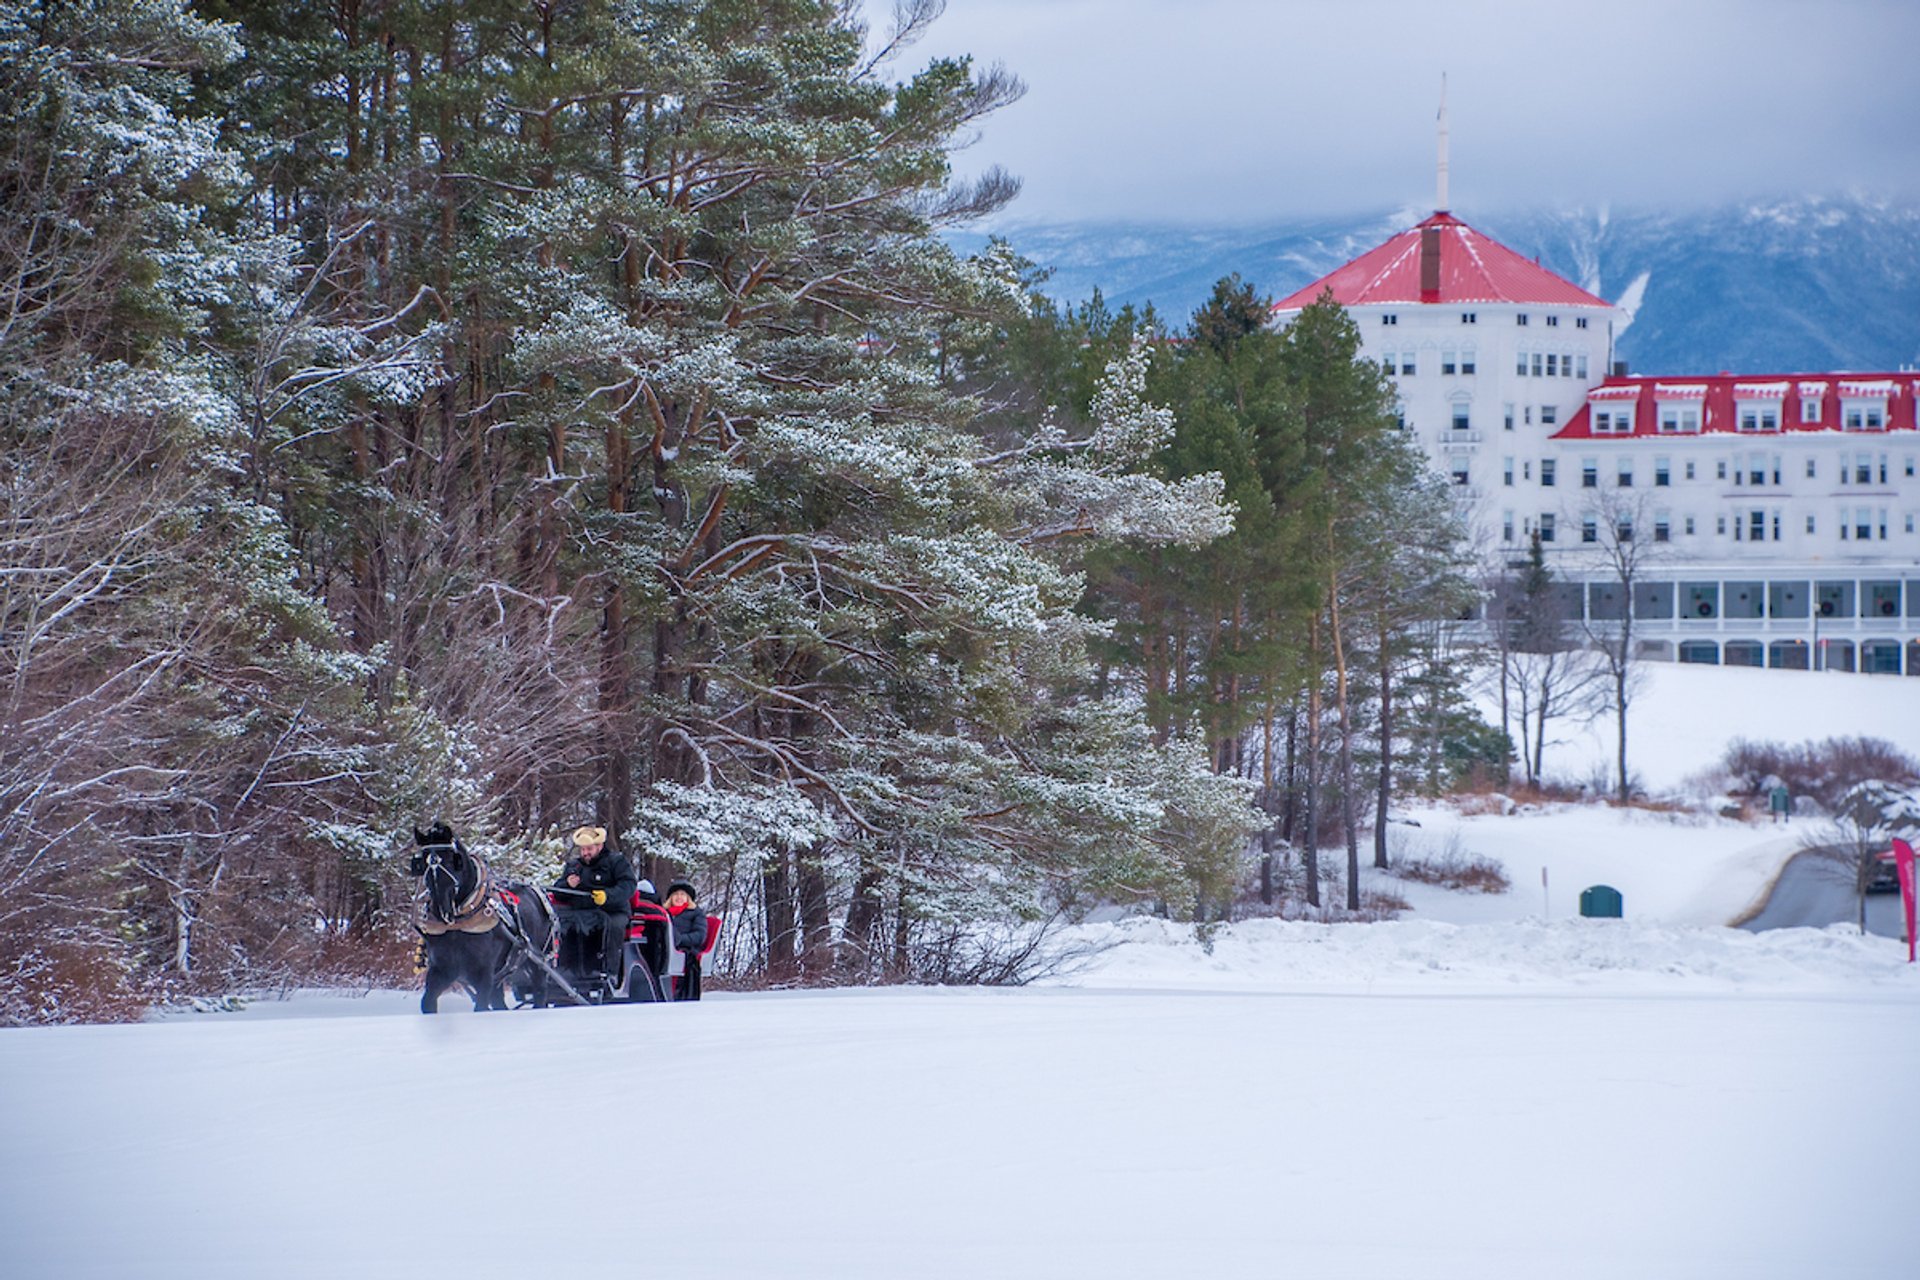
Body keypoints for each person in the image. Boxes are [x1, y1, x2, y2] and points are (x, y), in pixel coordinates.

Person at [550, 826, 636, 991]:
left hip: (612, 911)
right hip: (580, 912)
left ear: (599, 846)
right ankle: (566, 968)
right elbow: (558, 892)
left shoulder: (616, 862)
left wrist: (607, 896)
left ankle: (609, 972)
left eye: (589, 849)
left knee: (613, 926)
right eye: (582, 849)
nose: (585, 853)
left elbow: (628, 885)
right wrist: (567, 884)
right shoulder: (573, 866)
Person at [663, 880, 708, 1000]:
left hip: (686, 948)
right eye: (676, 894)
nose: (679, 897)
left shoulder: (696, 914)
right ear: (670, 898)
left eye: (682, 895)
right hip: (665, 946)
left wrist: (679, 940)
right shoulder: (664, 913)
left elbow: (699, 936)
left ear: (688, 898)